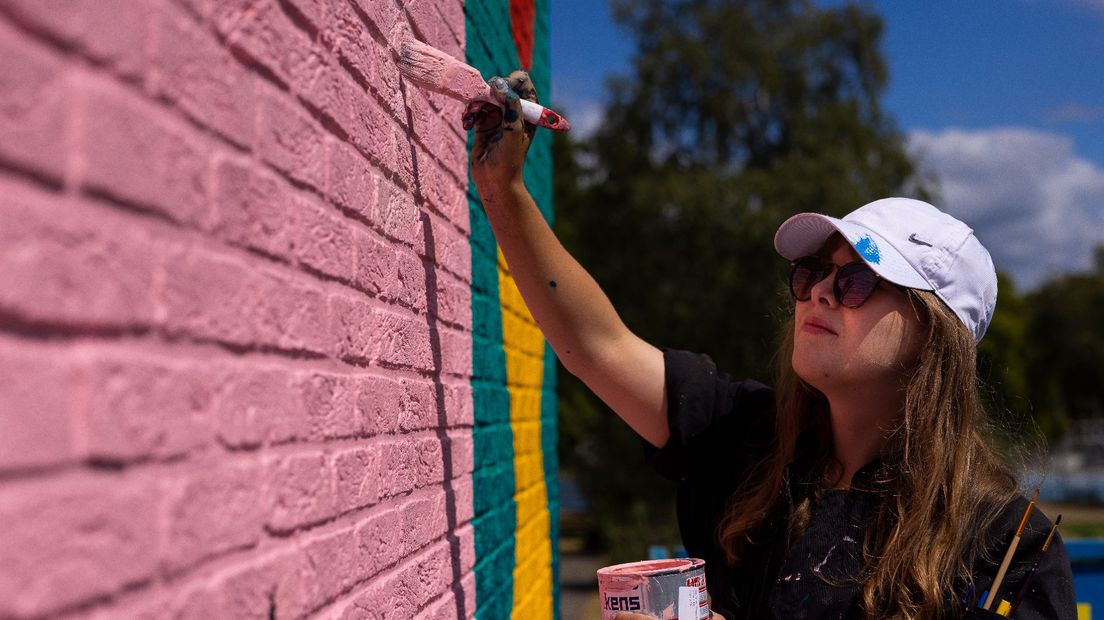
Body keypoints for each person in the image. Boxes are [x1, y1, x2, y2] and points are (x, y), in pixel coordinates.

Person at [463, 73, 1077, 620]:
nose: (820, 294)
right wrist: (503, 191)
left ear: (931, 337)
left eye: (858, 279)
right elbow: (596, 346)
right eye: (811, 272)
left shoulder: (1007, 551)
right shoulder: (749, 439)